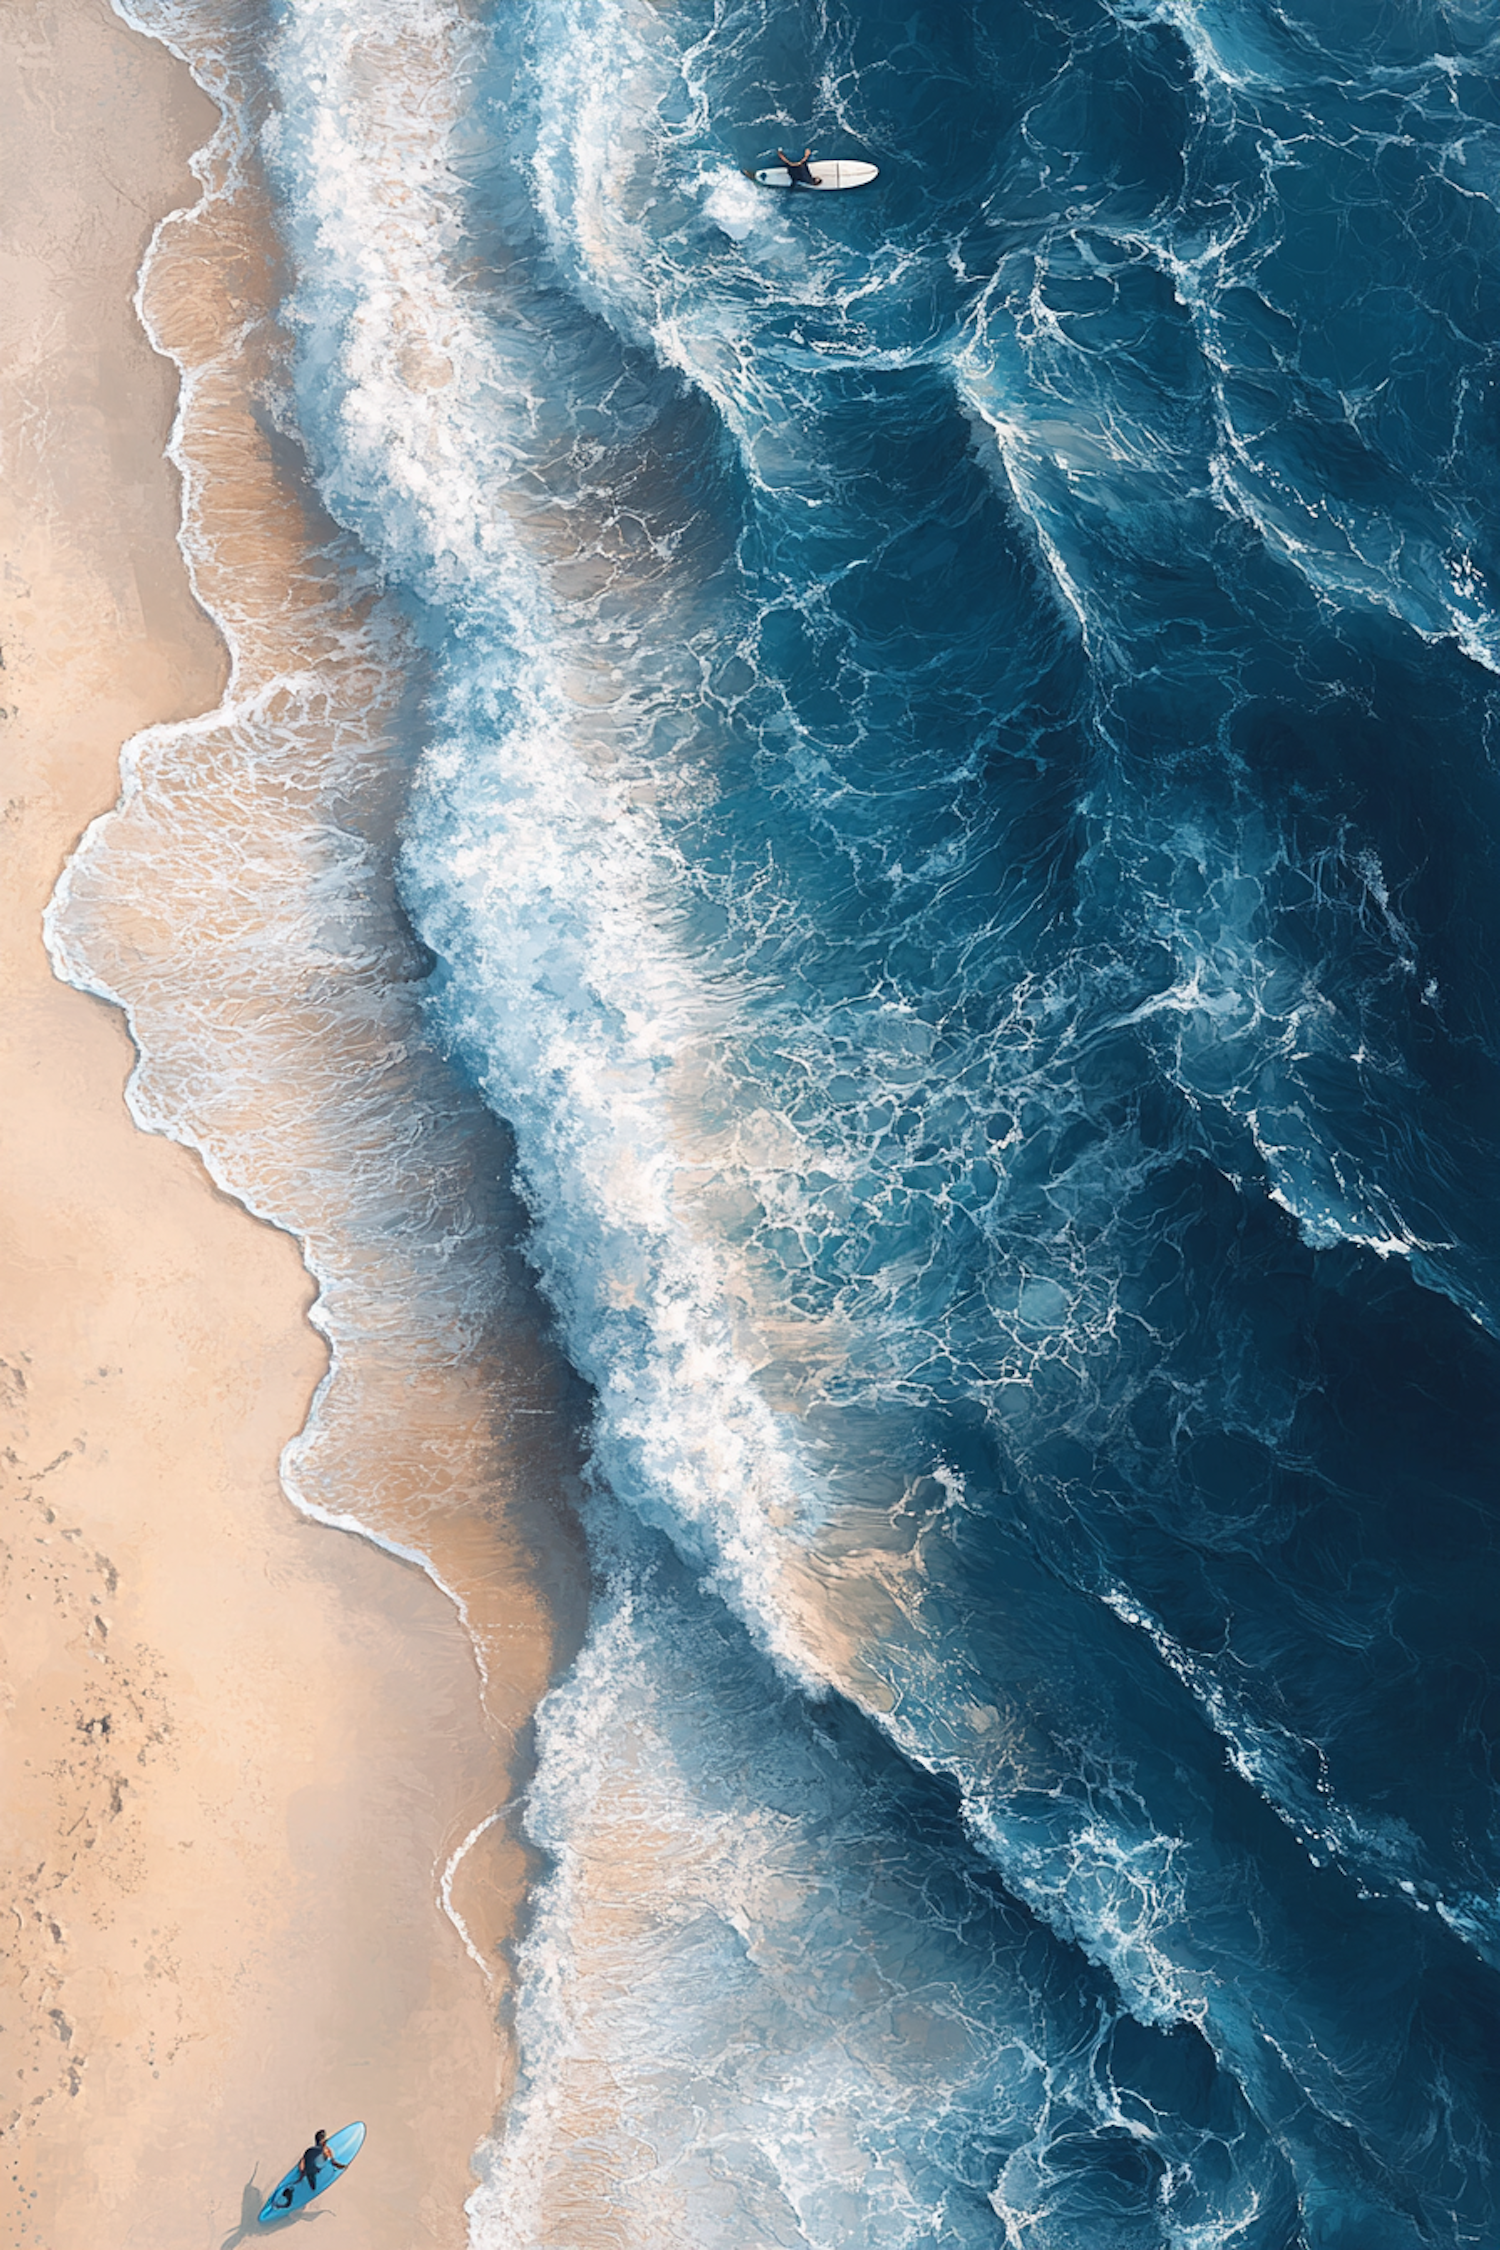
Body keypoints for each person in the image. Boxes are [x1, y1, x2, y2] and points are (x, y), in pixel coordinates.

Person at [276, 2129, 348, 2209]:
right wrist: (303, 2172)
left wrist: (340, 2166)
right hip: (308, 2172)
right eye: (324, 2140)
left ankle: (288, 2197)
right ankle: (285, 2199)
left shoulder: (325, 2150)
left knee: (309, 2185)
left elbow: (333, 2162)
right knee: (299, 2184)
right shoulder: (315, 2151)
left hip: (314, 2170)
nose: (325, 2142)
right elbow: (304, 2161)